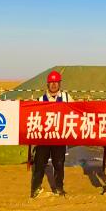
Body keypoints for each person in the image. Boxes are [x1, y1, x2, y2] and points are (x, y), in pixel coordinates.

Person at [30, 70, 71, 198]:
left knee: (59, 164)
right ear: (48, 84)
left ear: (60, 83)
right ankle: (35, 189)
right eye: (51, 82)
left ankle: (59, 188)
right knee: (39, 164)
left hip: (59, 137)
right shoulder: (40, 100)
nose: (54, 84)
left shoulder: (67, 98)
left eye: (56, 82)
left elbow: (76, 111)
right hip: (44, 138)